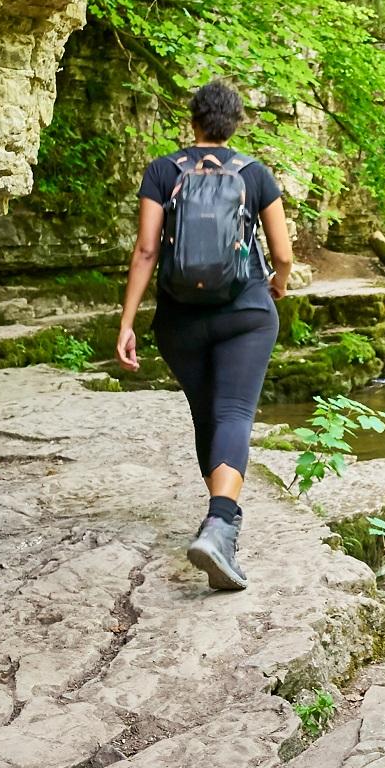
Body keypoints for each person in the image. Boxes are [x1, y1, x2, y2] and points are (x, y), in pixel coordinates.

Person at [117, 79, 294, 591]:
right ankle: (220, 526)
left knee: (207, 413)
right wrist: (277, 286)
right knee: (234, 414)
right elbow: (281, 254)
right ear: (235, 123)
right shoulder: (255, 174)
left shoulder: (162, 171)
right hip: (246, 313)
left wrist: (127, 321)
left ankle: (218, 526)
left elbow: (146, 251)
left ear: (192, 121)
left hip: (180, 320)